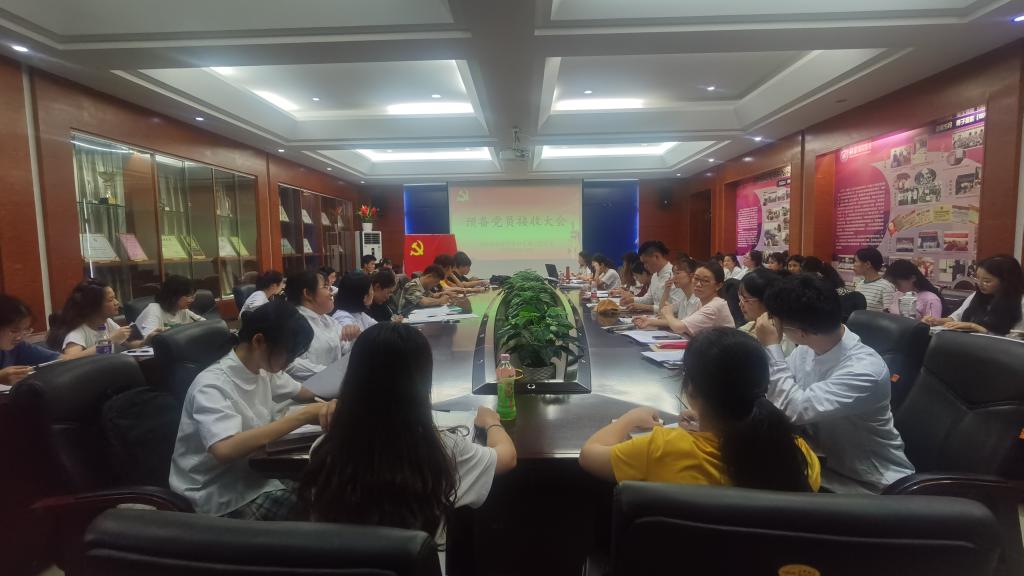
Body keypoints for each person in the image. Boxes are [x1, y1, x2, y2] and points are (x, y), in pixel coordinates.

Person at [300, 322, 516, 543]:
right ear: (420, 381)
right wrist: (492, 422)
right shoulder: (441, 452)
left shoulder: (323, 450)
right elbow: (506, 457)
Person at [579, 327, 819, 491]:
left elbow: (589, 455)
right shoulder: (797, 453)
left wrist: (629, 418)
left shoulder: (663, 448)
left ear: (691, 389)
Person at [170, 299, 331, 519]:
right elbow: (225, 449)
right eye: (288, 355)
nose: (289, 363)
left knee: (323, 488)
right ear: (259, 341)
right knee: (313, 509)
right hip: (216, 493)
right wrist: (303, 415)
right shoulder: (212, 385)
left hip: (253, 473)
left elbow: (304, 392)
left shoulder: (262, 368)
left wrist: (335, 403)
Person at [756, 274, 914, 493]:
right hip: (823, 469)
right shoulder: (807, 349)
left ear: (800, 332)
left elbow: (794, 409)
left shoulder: (865, 370)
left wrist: (771, 346)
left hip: (872, 486)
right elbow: (773, 389)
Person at [47, 279, 151, 358]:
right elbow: (69, 359)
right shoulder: (78, 332)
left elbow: (129, 344)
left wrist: (147, 341)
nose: (117, 303)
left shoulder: (108, 322)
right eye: (110, 300)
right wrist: (110, 340)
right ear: (94, 306)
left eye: (115, 298)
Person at [924, 255, 1024, 335]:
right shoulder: (977, 295)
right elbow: (956, 318)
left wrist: (974, 326)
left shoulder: (1020, 303)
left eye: (987, 281)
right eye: (977, 279)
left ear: (1006, 282)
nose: (979, 284)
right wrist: (936, 321)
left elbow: (1015, 340)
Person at [284, 270, 354, 381]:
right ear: (308, 294)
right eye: (326, 287)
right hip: (304, 388)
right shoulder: (290, 322)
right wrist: (330, 372)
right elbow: (289, 364)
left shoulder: (328, 320)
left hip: (333, 383)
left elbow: (345, 348)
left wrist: (354, 337)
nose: (331, 293)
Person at [656, 261, 735, 337]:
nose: (698, 284)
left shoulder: (715, 306)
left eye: (705, 281)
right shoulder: (702, 301)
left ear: (718, 286)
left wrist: (668, 314)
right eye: (696, 278)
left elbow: (679, 327)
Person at [0, 295, 60, 385]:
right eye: (14, 331)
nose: (20, 337)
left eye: (25, 330)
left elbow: (61, 359)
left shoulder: (19, 346)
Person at [735, 269, 795, 356]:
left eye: (746, 299)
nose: (740, 304)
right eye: (740, 298)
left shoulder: (782, 340)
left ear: (767, 301)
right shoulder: (749, 326)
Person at [633, 256, 700, 330]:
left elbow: (682, 325)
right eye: (673, 274)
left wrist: (651, 321)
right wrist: (666, 291)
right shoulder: (684, 298)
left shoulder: (698, 300)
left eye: (677, 273)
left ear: (691, 275)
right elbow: (661, 312)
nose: (673, 277)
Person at [620, 241, 682, 313]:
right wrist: (632, 300)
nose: (645, 266)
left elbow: (677, 308)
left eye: (646, 262)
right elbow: (649, 298)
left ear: (656, 256)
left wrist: (646, 307)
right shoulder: (654, 276)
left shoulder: (674, 275)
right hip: (655, 316)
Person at [136, 275, 204, 339]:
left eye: (193, 297)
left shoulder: (183, 311)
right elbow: (148, 340)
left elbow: (205, 325)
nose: (192, 300)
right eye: (189, 296)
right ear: (174, 296)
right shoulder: (154, 309)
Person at [852, 247, 896, 312]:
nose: (853, 265)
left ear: (868, 264)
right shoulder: (860, 284)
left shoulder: (886, 287)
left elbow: (890, 314)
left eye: (856, 261)